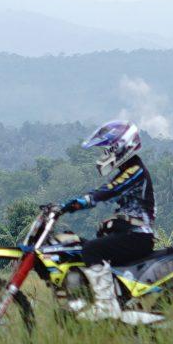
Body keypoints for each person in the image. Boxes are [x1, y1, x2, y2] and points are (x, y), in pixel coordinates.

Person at [59, 117, 157, 321]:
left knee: (91, 250)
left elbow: (106, 191)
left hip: (138, 237)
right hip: (129, 235)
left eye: (109, 149)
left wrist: (75, 203)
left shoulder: (134, 171)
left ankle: (105, 305)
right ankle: (109, 299)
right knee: (78, 246)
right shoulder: (129, 169)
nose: (105, 154)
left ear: (122, 147)